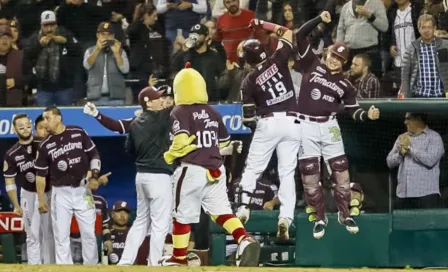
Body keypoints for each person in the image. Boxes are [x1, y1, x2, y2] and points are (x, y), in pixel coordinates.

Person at [160, 62, 258, 266]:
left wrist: (170, 155)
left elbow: (180, 140)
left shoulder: (179, 111)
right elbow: (224, 144)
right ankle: (244, 239)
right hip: (216, 170)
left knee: (180, 215)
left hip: (191, 168)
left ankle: (178, 257)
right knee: (222, 212)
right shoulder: (214, 112)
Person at [294, 12, 380, 239]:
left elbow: (353, 110)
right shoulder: (310, 63)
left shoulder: (345, 84)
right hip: (305, 126)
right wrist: (319, 19)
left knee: (341, 172)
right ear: (327, 53)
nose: (334, 60)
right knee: (310, 175)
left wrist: (367, 115)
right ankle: (320, 218)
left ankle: (344, 214)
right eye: (333, 55)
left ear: (343, 63)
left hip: (330, 127)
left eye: (340, 59)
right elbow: (300, 34)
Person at [236, 19, 300, 241]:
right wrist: (264, 24)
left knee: (252, 169)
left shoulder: (248, 81)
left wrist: (261, 134)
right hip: (293, 121)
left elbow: (248, 119)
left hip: (268, 121)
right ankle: (286, 218)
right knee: (287, 173)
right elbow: (289, 33)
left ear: (247, 60)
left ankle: (243, 207)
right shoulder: (278, 58)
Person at [34, 106, 106, 265]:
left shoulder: (78, 132)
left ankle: (92, 267)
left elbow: (94, 154)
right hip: (60, 193)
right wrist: (41, 199)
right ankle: (65, 268)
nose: (45, 123)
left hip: (83, 190)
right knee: (61, 236)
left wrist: (94, 175)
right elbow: (40, 176)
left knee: (88, 233)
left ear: (58, 118)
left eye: (47, 118)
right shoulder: (44, 145)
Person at [118, 86, 174, 266]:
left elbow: (129, 149)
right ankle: (155, 264)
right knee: (160, 224)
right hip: (159, 177)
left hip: (141, 175)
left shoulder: (135, 122)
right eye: (157, 98)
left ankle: (125, 262)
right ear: (148, 103)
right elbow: (179, 105)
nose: (161, 100)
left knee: (141, 221)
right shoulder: (162, 116)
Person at [3, 113, 54, 264]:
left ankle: (51, 267)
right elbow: (10, 182)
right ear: (14, 129)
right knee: (32, 235)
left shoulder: (44, 143)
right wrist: (16, 205)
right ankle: (34, 268)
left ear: (31, 126)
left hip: (49, 192)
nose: (25, 129)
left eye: (27, 125)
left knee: (49, 234)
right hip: (28, 195)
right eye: (21, 126)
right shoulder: (11, 154)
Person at [386, 113, 444, 209]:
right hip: (403, 194)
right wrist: (401, 153)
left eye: (408, 119)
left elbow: (430, 160)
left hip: (427, 194)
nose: (405, 122)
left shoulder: (434, 137)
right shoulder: (402, 138)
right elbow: (389, 163)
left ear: (418, 119)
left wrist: (409, 148)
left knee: (427, 224)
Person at [83, 85, 173, 135]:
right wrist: (96, 114)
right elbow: (116, 126)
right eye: (161, 97)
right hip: (150, 166)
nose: (164, 101)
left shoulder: (175, 116)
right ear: (149, 103)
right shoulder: (140, 122)